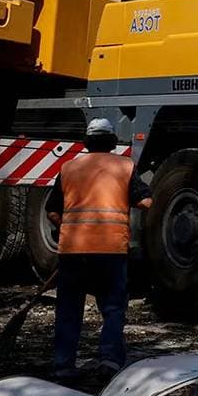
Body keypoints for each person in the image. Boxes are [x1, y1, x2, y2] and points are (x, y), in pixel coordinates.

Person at [48, 117, 151, 378]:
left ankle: (63, 365)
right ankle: (110, 361)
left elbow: (53, 210)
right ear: (112, 142)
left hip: (73, 251)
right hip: (111, 250)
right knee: (113, 308)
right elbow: (145, 202)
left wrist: (66, 225)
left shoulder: (69, 168)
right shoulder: (125, 166)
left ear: (87, 142)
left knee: (69, 309)